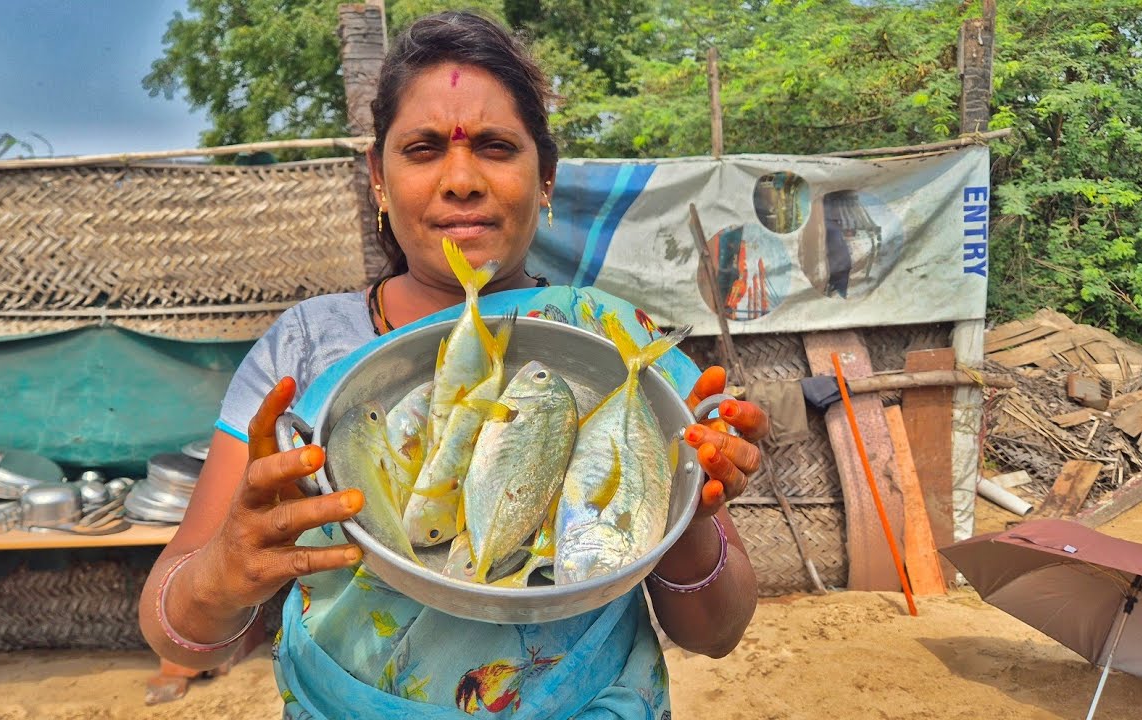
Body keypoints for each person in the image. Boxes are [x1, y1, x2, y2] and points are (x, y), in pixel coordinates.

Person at [138, 11, 765, 718]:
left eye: (496, 147)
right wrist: (226, 573)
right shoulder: (303, 351)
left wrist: (684, 513)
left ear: (547, 176)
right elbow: (184, 638)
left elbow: (718, 632)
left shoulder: (620, 343)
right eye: (423, 149)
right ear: (379, 177)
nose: (461, 179)